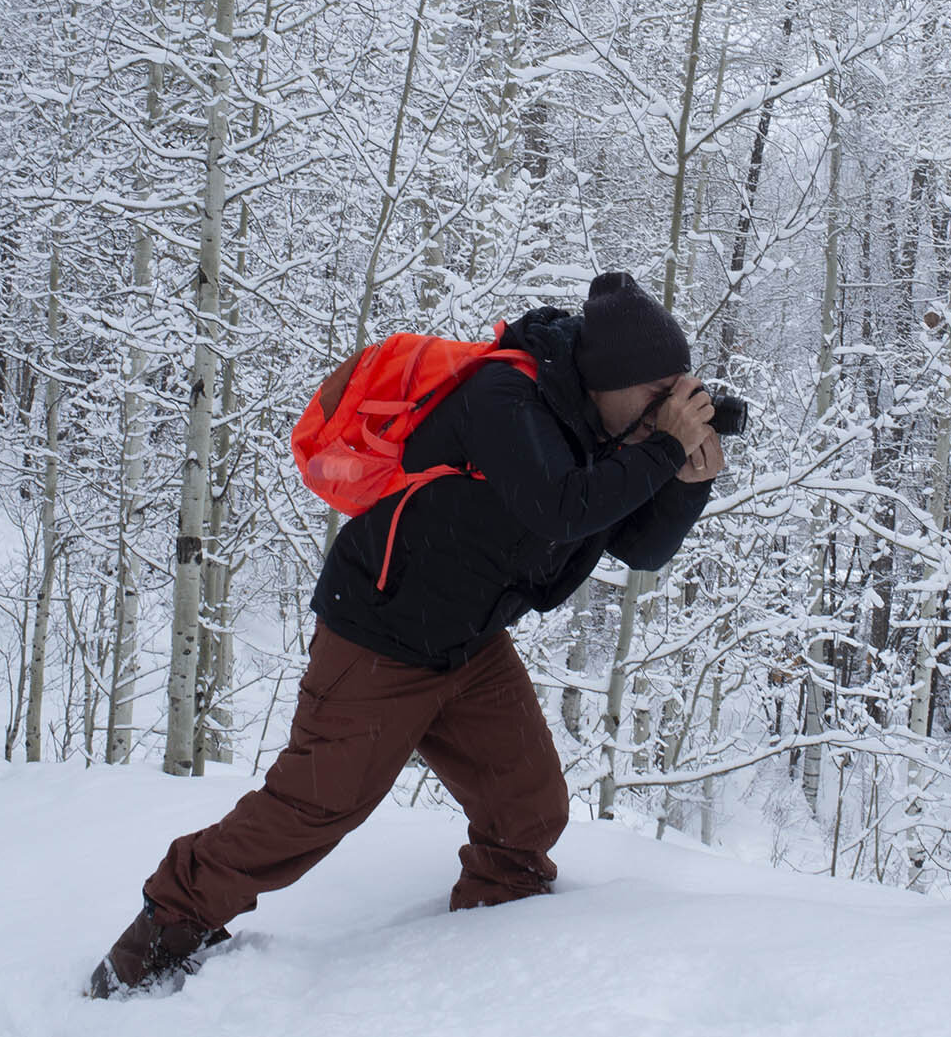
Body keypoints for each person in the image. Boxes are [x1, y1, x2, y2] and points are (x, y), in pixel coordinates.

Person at [87, 271, 724, 998]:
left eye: (676, 392)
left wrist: (686, 479)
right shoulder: (506, 396)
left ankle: (490, 950)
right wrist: (659, 453)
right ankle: (153, 943)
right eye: (655, 394)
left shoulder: (608, 430)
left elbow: (635, 544)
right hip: (380, 634)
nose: (665, 410)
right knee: (311, 813)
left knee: (529, 808)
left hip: (469, 643)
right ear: (607, 379)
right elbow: (558, 506)